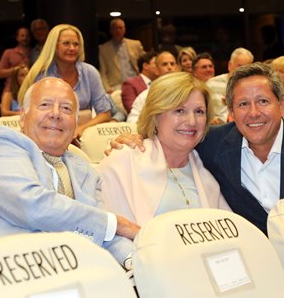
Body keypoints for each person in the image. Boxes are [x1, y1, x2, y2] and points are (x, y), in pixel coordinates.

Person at [110, 63, 284, 235]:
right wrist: (132, 138)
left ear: (283, 104)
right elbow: (169, 138)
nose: (253, 113)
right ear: (230, 111)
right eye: (243, 104)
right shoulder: (210, 145)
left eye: (263, 101)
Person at [0, 77, 139, 266]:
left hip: (61, 276)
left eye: (66, 108)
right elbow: (31, 205)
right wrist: (117, 223)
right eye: (45, 105)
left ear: (75, 123)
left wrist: (136, 259)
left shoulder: (85, 170)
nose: (56, 114)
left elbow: (104, 233)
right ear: (22, 117)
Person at [98, 72, 230, 226]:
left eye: (199, 111)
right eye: (179, 110)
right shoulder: (124, 160)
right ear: (155, 115)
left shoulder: (208, 164)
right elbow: (110, 229)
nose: (192, 121)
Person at [18, 24, 117, 138]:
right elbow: (29, 114)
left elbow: (105, 113)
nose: (72, 48)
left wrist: (80, 130)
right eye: (66, 43)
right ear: (54, 46)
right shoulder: (41, 75)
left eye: (76, 44)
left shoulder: (90, 72)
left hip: (82, 137)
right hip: (46, 136)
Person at [127, 51, 178, 123]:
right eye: (164, 64)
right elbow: (132, 120)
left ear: (177, 68)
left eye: (172, 64)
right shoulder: (145, 95)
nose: (169, 67)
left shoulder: (188, 92)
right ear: (156, 70)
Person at [206, 48, 254, 124]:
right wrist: (210, 118)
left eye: (246, 68)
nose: (242, 71)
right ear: (229, 65)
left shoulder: (253, 87)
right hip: (217, 127)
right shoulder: (212, 84)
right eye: (239, 66)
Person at [98, 18, 145, 93]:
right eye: (115, 28)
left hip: (136, 82)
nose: (118, 30)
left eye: (120, 28)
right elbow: (103, 71)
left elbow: (145, 64)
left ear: (124, 29)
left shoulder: (135, 44)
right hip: (116, 86)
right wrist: (107, 89)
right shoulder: (103, 49)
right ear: (111, 30)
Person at [0, 26, 31, 92]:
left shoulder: (34, 52)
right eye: (22, 36)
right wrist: (17, 69)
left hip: (30, 88)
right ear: (17, 38)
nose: (25, 38)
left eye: (27, 36)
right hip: (10, 90)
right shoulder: (8, 52)